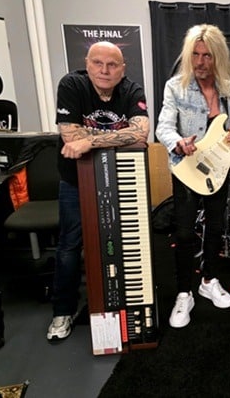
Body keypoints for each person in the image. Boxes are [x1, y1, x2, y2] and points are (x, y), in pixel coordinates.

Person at [48, 41, 149, 341]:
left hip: (119, 179)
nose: (105, 70)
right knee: (69, 246)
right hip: (75, 181)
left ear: (122, 69)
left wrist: (89, 140)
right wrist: (117, 136)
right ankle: (62, 311)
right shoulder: (72, 85)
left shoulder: (132, 90)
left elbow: (141, 133)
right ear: (87, 63)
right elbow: (70, 137)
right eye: (98, 63)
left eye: (112, 64)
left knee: (122, 241)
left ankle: (122, 306)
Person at [155, 24, 230, 329]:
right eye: (195, 54)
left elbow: (228, 132)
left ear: (218, 57)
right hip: (187, 168)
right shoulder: (175, 87)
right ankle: (184, 293)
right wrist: (178, 142)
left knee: (216, 227)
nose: (200, 62)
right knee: (183, 233)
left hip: (218, 169)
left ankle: (209, 280)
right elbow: (164, 127)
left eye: (207, 55)